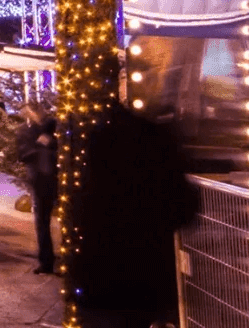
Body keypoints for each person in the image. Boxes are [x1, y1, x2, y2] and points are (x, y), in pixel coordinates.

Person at [71, 86, 199, 328]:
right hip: (148, 268)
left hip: (101, 271)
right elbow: (183, 207)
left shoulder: (99, 140)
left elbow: (83, 206)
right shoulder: (158, 140)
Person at [16, 103, 59, 275]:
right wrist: (40, 145)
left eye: (34, 111)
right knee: (42, 222)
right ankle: (46, 262)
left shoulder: (53, 125)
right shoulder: (25, 131)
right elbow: (23, 155)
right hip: (40, 180)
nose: (32, 115)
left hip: (56, 178)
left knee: (56, 220)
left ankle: (65, 259)